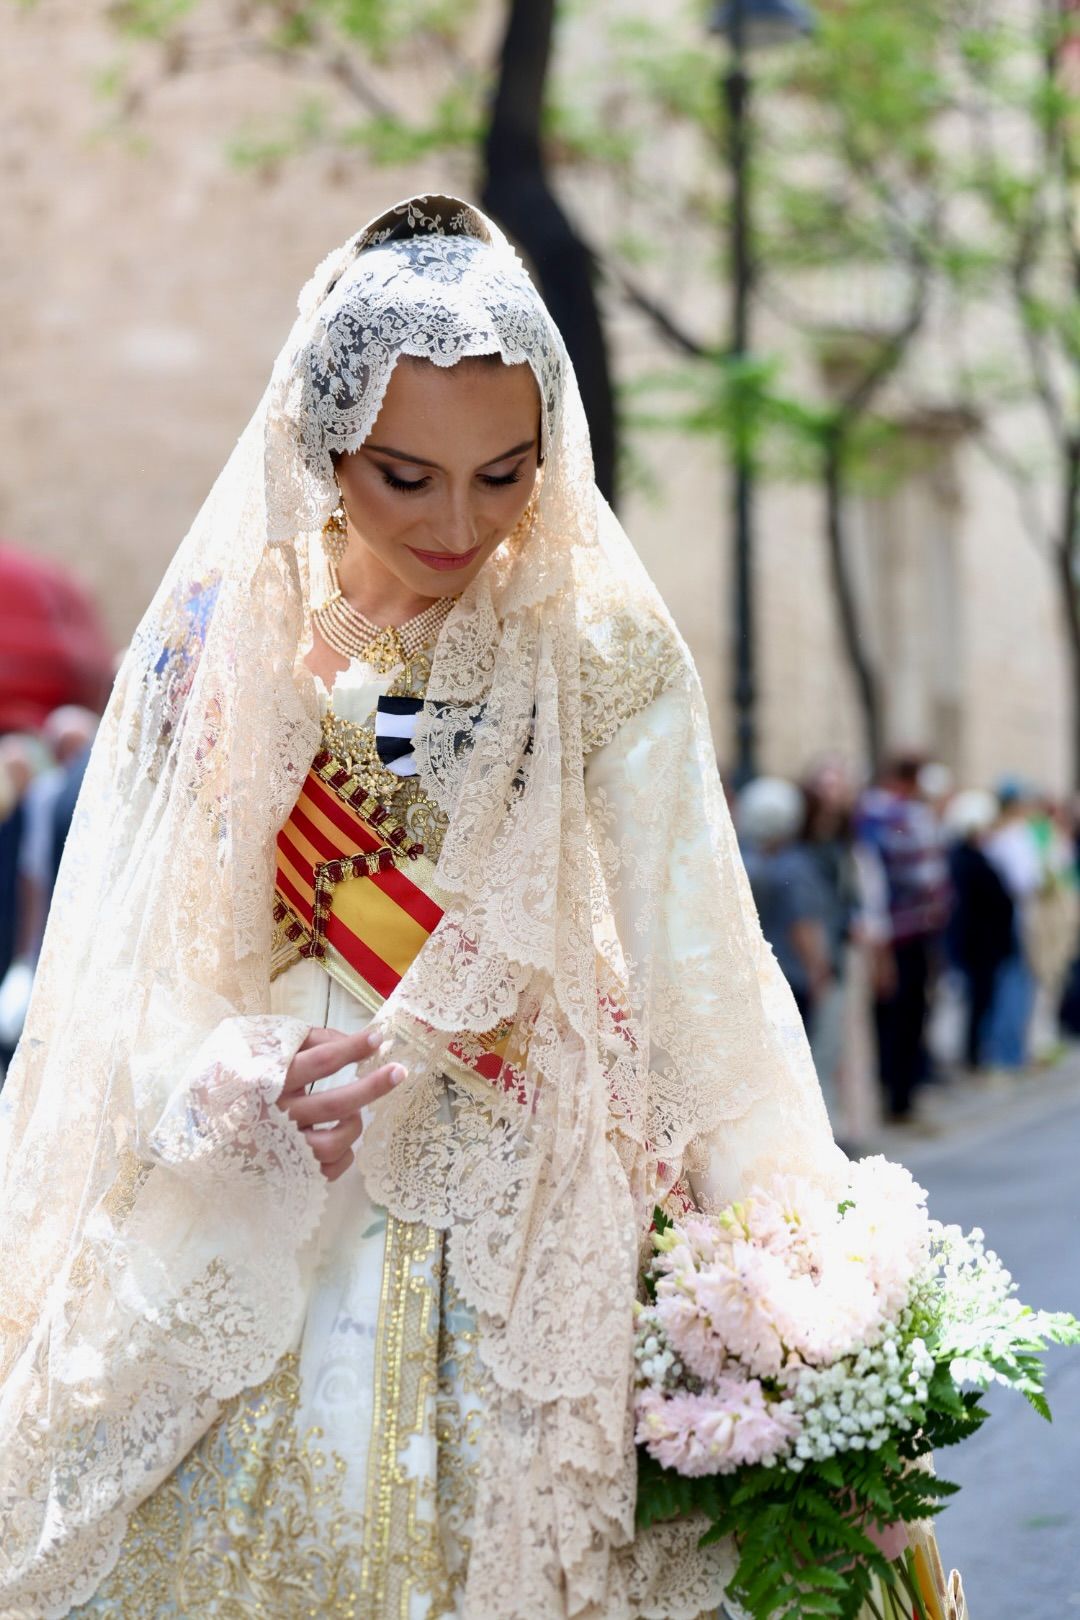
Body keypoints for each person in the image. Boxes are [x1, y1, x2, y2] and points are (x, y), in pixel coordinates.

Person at [0, 198, 945, 1618]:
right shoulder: (226, 639)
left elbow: (706, 983)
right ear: (320, 448)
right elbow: (130, 974)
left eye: (504, 475)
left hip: (550, 1181)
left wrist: (794, 1277)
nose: (458, 524)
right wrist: (223, 1077)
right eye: (403, 476)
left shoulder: (604, 648)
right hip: (283, 1177)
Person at [854, 754, 951, 1124]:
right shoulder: (904, 815)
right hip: (908, 929)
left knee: (884, 1014)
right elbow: (925, 876)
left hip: (880, 930)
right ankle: (900, 1098)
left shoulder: (867, 812)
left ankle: (887, 1091)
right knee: (908, 1013)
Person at [737, 776, 834, 1030]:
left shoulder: (741, 863)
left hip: (753, 976)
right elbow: (802, 925)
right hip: (790, 976)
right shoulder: (795, 866)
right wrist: (817, 969)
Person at [943, 790, 1015, 1072]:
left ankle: (975, 1053)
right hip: (977, 944)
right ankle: (972, 1056)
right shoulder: (966, 859)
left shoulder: (971, 857)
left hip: (981, 943)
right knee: (974, 1002)